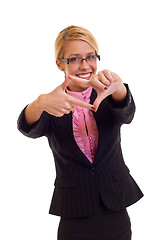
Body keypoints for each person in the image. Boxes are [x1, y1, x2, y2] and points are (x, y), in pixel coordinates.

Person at [17, 25, 143, 240]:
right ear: (60, 64)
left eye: (90, 57)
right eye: (74, 59)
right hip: (74, 208)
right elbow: (27, 129)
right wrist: (39, 103)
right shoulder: (52, 103)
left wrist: (120, 88)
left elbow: (127, 114)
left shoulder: (109, 92)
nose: (85, 65)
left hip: (115, 204)